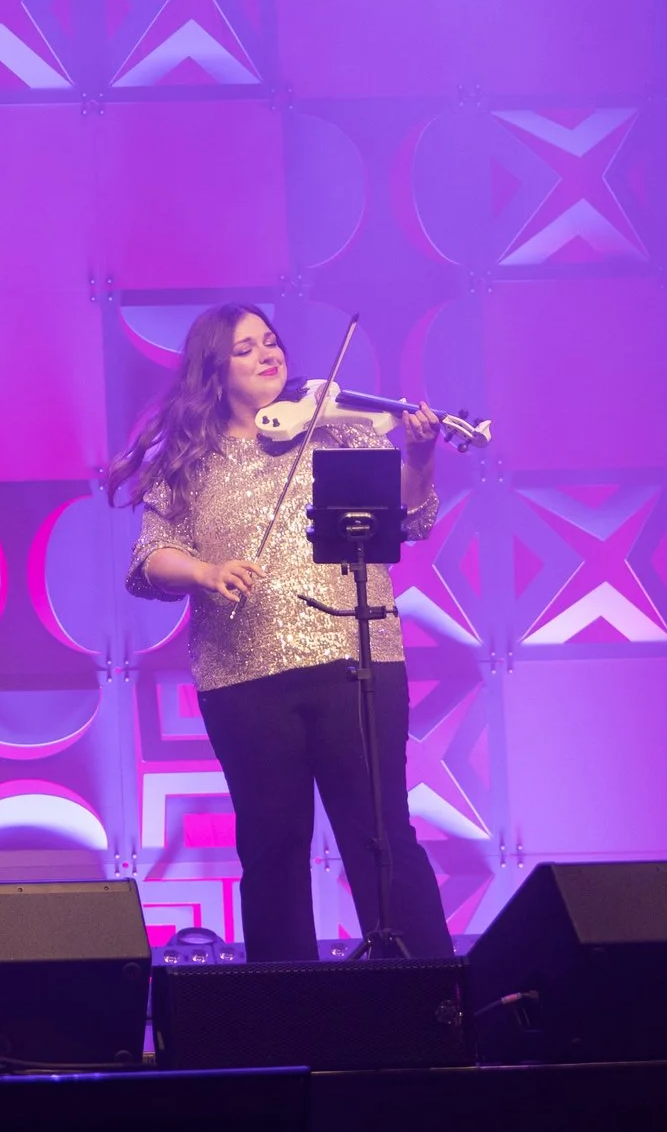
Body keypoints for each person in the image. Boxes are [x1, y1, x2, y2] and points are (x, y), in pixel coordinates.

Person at [111, 303, 451, 961]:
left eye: (271, 341)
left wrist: (420, 453)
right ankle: (286, 1021)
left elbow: (409, 519)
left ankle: (432, 997)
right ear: (216, 370)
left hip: (357, 660)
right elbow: (148, 561)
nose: (269, 353)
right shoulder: (188, 462)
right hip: (244, 678)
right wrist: (207, 570)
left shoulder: (338, 430)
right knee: (272, 848)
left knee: (381, 836)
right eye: (247, 348)